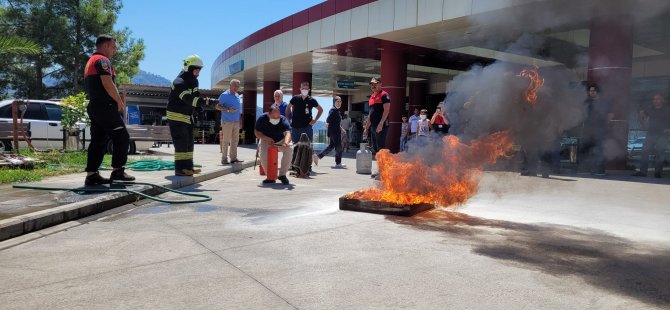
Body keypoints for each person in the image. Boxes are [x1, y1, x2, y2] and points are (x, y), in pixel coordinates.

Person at [83, 34, 135, 185]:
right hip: (105, 107)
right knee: (122, 137)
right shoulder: (102, 60)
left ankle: (92, 175)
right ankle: (118, 171)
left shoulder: (91, 61)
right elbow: (107, 83)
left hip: (95, 106)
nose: (115, 50)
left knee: (98, 141)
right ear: (105, 46)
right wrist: (119, 101)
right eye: (113, 47)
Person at [166, 54, 215, 176]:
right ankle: (180, 169)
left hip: (187, 116)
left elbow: (195, 97)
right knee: (181, 142)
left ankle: (188, 167)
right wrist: (208, 102)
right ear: (189, 67)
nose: (198, 72)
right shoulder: (179, 82)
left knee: (189, 142)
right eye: (196, 69)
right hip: (176, 116)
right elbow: (188, 99)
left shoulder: (194, 81)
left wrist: (199, 109)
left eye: (200, 69)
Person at [633, 93, 670, 178]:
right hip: (650, 133)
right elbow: (642, 117)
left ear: (662, 100)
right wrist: (641, 117)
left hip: (662, 135)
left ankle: (657, 173)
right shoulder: (650, 109)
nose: (655, 101)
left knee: (660, 154)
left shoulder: (667, 110)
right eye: (654, 99)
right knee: (644, 152)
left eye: (658, 99)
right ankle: (642, 172)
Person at [255, 105, 293, 184]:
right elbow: (257, 132)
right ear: (269, 114)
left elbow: (288, 133)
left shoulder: (283, 119)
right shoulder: (262, 119)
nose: (276, 119)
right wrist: (266, 138)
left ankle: (282, 175)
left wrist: (286, 142)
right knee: (263, 155)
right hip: (266, 140)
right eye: (274, 117)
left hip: (281, 140)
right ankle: (270, 176)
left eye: (277, 117)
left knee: (289, 149)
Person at [216, 79, 242, 165]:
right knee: (226, 141)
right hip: (227, 121)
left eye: (238, 86)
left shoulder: (238, 95)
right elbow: (217, 106)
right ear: (230, 86)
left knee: (235, 141)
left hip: (236, 121)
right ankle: (224, 159)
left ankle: (233, 158)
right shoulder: (224, 95)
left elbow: (239, 110)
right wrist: (227, 109)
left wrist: (240, 121)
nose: (236, 88)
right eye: (235, 86)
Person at [316, 96, 345, 168]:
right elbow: (328, 119)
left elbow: (334, 122)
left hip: (334, 131)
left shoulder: (336, 110)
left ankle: (318, 156)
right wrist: (327, 123)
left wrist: (341, 128)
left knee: (331, 146)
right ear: (334, 102)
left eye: (340, 101)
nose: (339, 103)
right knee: (338, 147)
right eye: (337, 101)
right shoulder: (333, 110)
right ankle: (338, 163)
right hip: (335, 132)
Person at [363, 77, 390, 154]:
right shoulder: (371, 97)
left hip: (381, 125)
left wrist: (381, 123)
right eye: (371, 84)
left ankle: (385, 165)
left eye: (375, 84)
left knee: (381, 147)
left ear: (380, 84)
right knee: (375, 148)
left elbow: (386, 110)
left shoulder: (384, 95)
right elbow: (370, 114)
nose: (373, 86)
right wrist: (366, 128)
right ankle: (381, 165)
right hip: (373, 126)